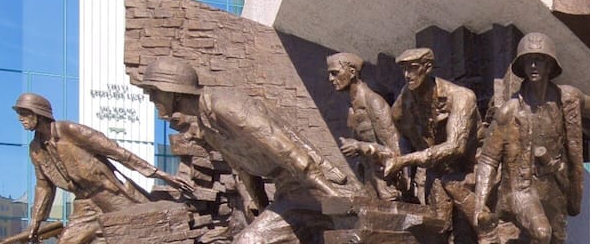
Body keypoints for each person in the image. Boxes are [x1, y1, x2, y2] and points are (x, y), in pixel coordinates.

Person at [133, 59, 362, 244]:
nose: (151, 98)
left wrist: (332, 196)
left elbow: (288, 151)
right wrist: (261, 209)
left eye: (154, 91)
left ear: (174, 92)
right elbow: (244, 171)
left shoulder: (224, 106)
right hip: (291, 195)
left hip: (317, 187)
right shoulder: (208, 126)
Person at [13, 92, 194, 244]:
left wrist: (160, 174)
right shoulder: (36, 149)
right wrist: (35, 223)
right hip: (84, 204)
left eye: (24, 113)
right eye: (19, 113)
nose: (20, 118)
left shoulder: (69, 130)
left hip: (112, 196)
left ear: (39, 113)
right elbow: (44, 187)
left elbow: (116, 152)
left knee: (145, 234)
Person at [472, 33, 584, 243]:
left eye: (539, 60)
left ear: (550, 66)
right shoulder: (509, 111)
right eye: (528, 61)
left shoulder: (565, 102)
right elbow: (488, 159)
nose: (533, 65)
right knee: (542, 233)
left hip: (554, 187)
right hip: (520, 188)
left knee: (556, 239)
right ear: (522, 67)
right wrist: (479, 206)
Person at [384, 48, 482, 237]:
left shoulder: (462, 97)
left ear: (427, 67)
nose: (407, 75)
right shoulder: (405, 99)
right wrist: (405, 173)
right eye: (403, 69)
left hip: (470, 170)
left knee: (467, 230)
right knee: (439, 229)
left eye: (412, 68)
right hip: (438, 172)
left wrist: (405, 161)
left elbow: (456, 147)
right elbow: (403, 134)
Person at [327, 52, 404, 200]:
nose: (331, 79)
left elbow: (396, 154)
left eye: (335, 73)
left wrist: (359, 146)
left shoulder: (374, 102)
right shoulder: (351, 108)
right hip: (369, 185)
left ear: (352, 72)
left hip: (387, 188)